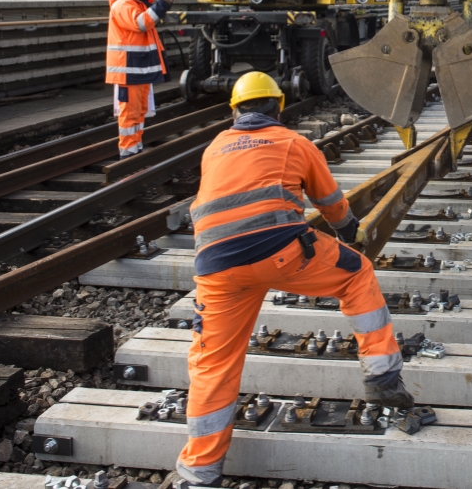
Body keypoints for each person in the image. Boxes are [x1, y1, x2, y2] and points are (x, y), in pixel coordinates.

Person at [173, 72, 411, 487]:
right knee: (356, 275)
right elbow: (331, 202)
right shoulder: (293, 142)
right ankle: (382, 377)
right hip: (281, 251)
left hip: (215, 268)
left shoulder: (214, 148)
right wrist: (349, 231)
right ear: (278, 107)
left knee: (213, 364)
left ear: (234, 110)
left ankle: (198, 474)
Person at [106, 0, 177, 158]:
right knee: (130, 114)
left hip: (138, 69)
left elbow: (150, 12)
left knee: (139, 113)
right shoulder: (123, 5)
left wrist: (163, 1)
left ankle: (135, 150)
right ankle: (128, 154)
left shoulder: (136, 3)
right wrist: (162, 4)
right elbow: (142, 23)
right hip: (128, 70)